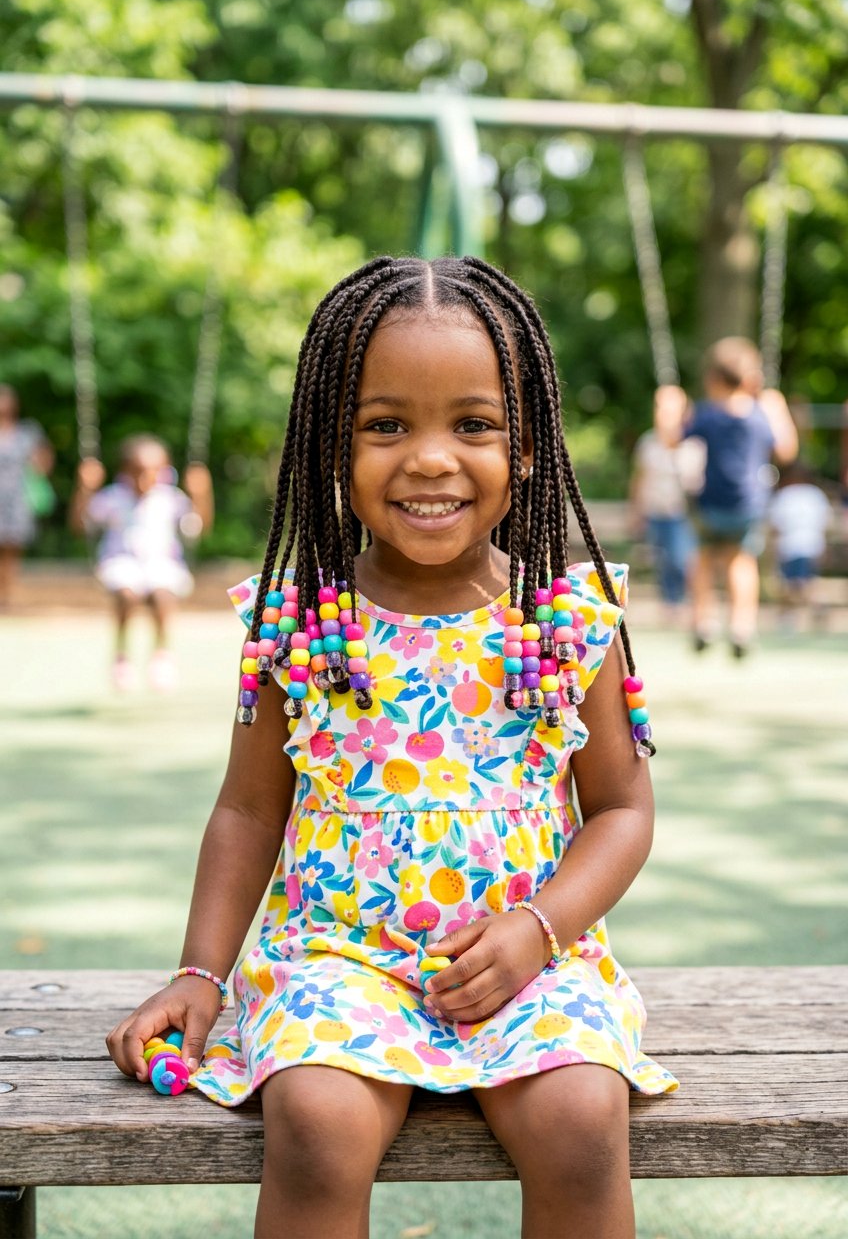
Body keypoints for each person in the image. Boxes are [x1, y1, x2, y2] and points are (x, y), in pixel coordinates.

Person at [106, 256, 677, 1239]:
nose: (427, 458)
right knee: (318, 1120)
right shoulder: (297, 623)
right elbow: (247, 811)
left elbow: (622, 810)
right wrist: (200, 972)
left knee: (581, 1118)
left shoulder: (566, 619)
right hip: (338, 961)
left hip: (524, 960)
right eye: (384, 425)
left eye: (471, 424)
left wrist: (536, 931)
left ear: (527, 448)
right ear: (332, 444)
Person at [70, 434, 213, 690]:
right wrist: (84, 488)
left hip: (163, 564)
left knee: (162, 594)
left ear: (164, 471)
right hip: (121, 563)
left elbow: (198, 528)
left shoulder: (171, 498)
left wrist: (202, 494)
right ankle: (122, 655)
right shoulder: (112, 497)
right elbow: (80, 525)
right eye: (138, 472)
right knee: (127, 593)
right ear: (125, 471)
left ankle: (161, 654)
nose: (145, 478)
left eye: (153, 472)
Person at [683, 337, 795, 658]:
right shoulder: (761, 414)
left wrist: (669, 407)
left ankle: (703, 621)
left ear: (713, 379)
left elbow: (674, 438)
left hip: (709, 503)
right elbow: (786, 451)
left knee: (703, 558)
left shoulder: (706, 414)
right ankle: (742, 626)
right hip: (748, 505)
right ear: (751, 379)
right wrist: (779, 408)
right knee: (741, 561)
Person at [629, 384, 705, 624]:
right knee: (662, 558)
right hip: (655, 509)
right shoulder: (648, 442)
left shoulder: (693, 445)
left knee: (680, 558)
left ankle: (684, 602)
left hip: (681, 512)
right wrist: (636, 510)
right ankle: (670, 604)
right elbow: (639, 478)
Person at [0, 383, 55, 611]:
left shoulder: (27, 431)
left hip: (17, 497)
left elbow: (43, 457)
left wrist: (38, 471)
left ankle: (6, 596)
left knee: (12, 549)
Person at [768, 461, 832, 628]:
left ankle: (790, 617)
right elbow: (824, 523)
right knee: (805, 581)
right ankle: (815, 608)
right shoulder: (816, 495)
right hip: (812, 545)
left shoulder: (785, 495)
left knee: (792, 585)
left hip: (789, 546)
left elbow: (775, 525)